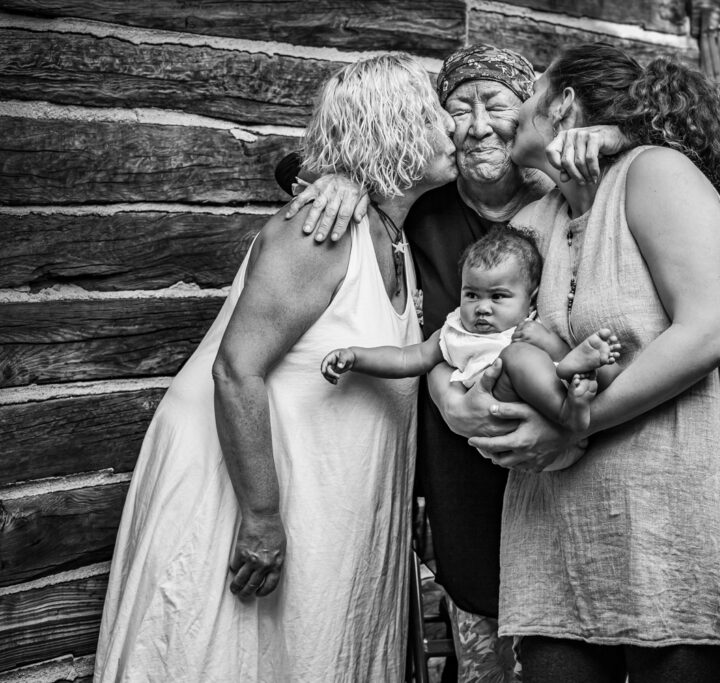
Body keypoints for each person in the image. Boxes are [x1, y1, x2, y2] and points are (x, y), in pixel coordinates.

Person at [94, 54, 457, 682]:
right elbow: (236, 371)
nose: (454, 129)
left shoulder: (392, 230)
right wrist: (260, 518)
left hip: (323, 487)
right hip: (247, 484)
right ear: (395, 129)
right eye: (435, 117)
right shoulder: (319, 231)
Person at [277, 44, 630, 683]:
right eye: (457, 110)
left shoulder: (567, 197)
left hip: (573, 457)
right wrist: (340, 177)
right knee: (483, 631)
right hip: (462, 464)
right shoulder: (421, 206)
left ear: (529, 112)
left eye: (495, 106)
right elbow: (318, 170)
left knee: (572, 635)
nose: (475, 126)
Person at [452, 42, 720, 682]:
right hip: (555, 530)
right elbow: (493, 338)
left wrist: (573, 423)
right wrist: (480, 410)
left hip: (667, 516)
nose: (512, 116)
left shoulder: (655, 174)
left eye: (529, 96)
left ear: (562, 103)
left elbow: (705, 334)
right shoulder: (535, 219)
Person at [321, 226, 622, 436]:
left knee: (600, 372)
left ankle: (586, 373)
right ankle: (568, 410)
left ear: (530, 299)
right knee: (517, 356)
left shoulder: (532, 324)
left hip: (556, 405)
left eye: (498, 297)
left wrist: (550, 344)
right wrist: (356, 356)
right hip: (503, 408)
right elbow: (405, 358)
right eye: (472, 295)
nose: (482, 307)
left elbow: (553, 359)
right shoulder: (454, 333)